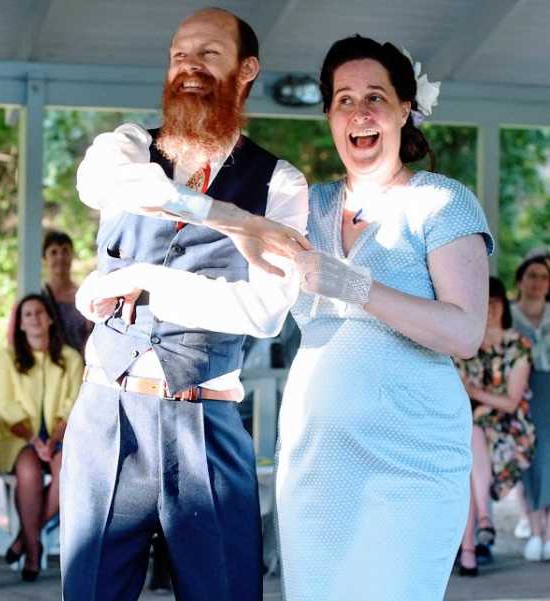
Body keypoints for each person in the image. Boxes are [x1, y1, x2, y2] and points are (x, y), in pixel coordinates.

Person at [78, 34, 493, 601]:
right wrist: (121, 284)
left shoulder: (442, 202)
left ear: (404, 109)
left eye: (375, 97)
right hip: (315, 453)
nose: (359, 112)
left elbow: (465, 332)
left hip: (411, 455)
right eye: (343, 100)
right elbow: (237, 281)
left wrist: (353, 286)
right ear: (329, 115)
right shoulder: (309, 204)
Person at [60, 8, 310, 600]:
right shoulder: (125, 147)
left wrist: (145, 279)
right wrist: (225, 217)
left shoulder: (281, 183)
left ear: (247, 70)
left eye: (209, 54)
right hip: (107, 413)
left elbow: (264, 311)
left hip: (207, 419)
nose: (189, 67)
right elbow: (100, 186)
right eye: (179, 55)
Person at [0, 294, 83, 582]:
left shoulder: (70, 358)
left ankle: (26, 539)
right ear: (20, 324)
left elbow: (74, 404)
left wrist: (51, 441)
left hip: (60, 435)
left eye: (40, 312)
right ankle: (31, 550)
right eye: (27, 314)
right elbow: (3, 405)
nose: (35, 318)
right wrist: (33, 439)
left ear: (51, 318)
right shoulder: (9, 357)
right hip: (16, 434)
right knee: (28, 471)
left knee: (67, 467)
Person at [455, 277, 534, 575]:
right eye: (484, 303)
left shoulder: (517, 344)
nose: (488, 310)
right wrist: (482, 400)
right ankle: (477, 537)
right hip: (472, 429)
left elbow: (511, 402)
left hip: (509, 432)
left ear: (504, 306)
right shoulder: (464, 343)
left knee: (470, 447)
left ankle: (470, 548)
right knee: (469, 447)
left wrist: (475, 394)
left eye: (495, 304)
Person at [512, 255, 550, 560]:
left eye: (544, 277)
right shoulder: (508, 317)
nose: (538, 282)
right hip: (520, 395)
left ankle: (547, 533)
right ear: (520, 280)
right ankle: (535, 528)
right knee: (529, 459)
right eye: (532, 275)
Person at [40, 231, 92, 355]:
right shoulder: (37, 298)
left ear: (72, 255)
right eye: (54, 252)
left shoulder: (84, 296)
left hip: (77, 367)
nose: (60, 257)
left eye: (65, 251)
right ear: (44, 258)